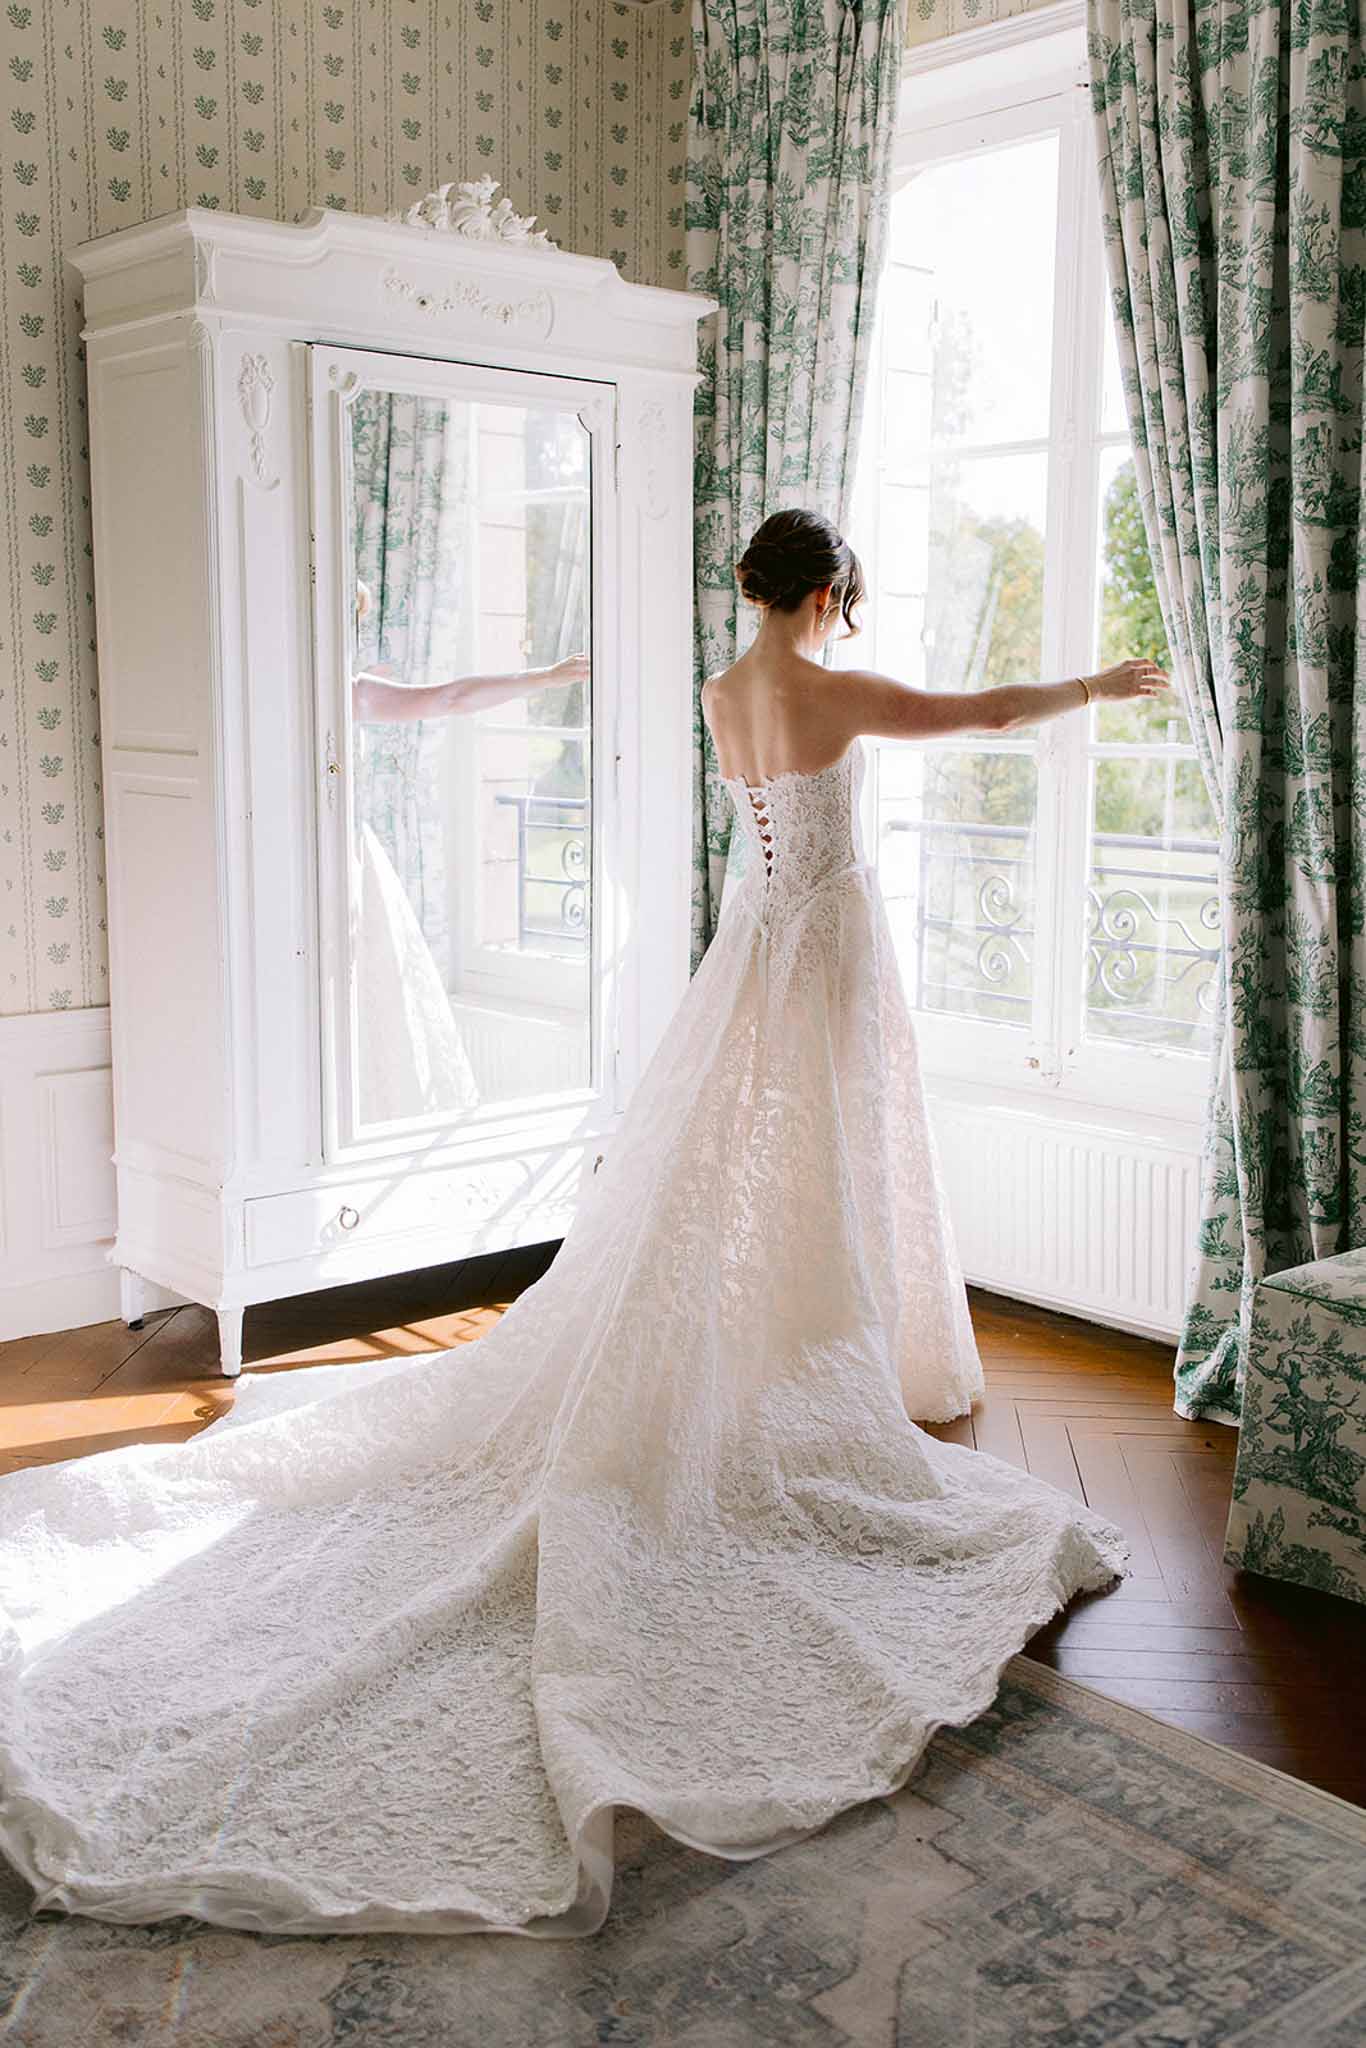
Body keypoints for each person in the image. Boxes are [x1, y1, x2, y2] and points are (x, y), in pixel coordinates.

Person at [0, 510, 1165, 1939]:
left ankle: (805, 1343)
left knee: (748, 1156)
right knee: (830, 1151)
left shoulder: (722, 692)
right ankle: (837, 1354)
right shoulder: (830, 688)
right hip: (827, 939)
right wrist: (1098, 689)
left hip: (756, 935)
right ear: (828, 594)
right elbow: (979, 710)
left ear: (746, 588)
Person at [349, 576, 589, 1122]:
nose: (355, 634)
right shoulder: (329, 690)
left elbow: (452, 697)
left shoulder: (353, 689)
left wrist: (545, 678)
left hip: (354, 862)